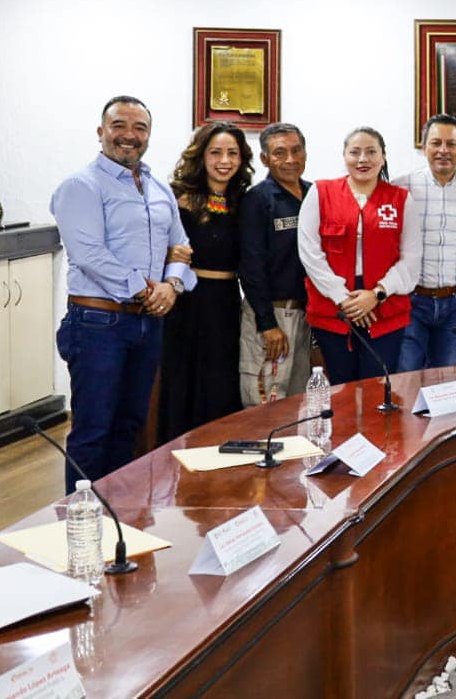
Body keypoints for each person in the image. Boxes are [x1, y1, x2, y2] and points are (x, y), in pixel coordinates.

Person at [51, 96, 196, 490]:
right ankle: (76, 528)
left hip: (146, 324)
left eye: (140, 128)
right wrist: (150, 290)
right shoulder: (81, 186)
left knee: (129, 427)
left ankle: (116, 518)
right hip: (99, 324)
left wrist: (173, 285)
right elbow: (90, 253)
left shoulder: (158, 188)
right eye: (120, 126)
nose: (129, 135)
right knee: (93, 431)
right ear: (101, 132)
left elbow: (180, 247)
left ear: (149, 135)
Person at [297, 127, 421, 384]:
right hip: (334, 309)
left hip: (384, 309)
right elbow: (310, 253)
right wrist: (346, 301)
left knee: (379, 388)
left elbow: (410, 258)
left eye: (371, 152)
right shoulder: (321, 193)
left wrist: (376, 295)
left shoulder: (400, 199)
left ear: (383, 157)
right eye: (355, 152)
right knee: (341, 388)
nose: (362, 159)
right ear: (344, 156)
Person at [159, 121, 253, 441]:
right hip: (187, 301)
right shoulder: (180, 199)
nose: (224, 161)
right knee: (184, 381)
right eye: (215, 153)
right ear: (201, 156)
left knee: (221, 381)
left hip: (226, 300)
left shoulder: (244, 201)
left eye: (232, 153)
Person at [395, 114, 456, 372]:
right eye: (436, 143)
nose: (443, 151)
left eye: (451, 144)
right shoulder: (401, 188)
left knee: (445, 378)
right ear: (424, 147)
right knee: (406, 376)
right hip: (412, 299)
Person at [238, 122, 314, 405]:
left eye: (297, 150)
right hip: (272, 317)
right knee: (265, 404)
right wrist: (267, 323)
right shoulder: (258, 200)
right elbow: (251, 266)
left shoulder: (314, 194)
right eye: (280, 153)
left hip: (305, 316)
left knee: (297, 404)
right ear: (265, 159)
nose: (291, 160)